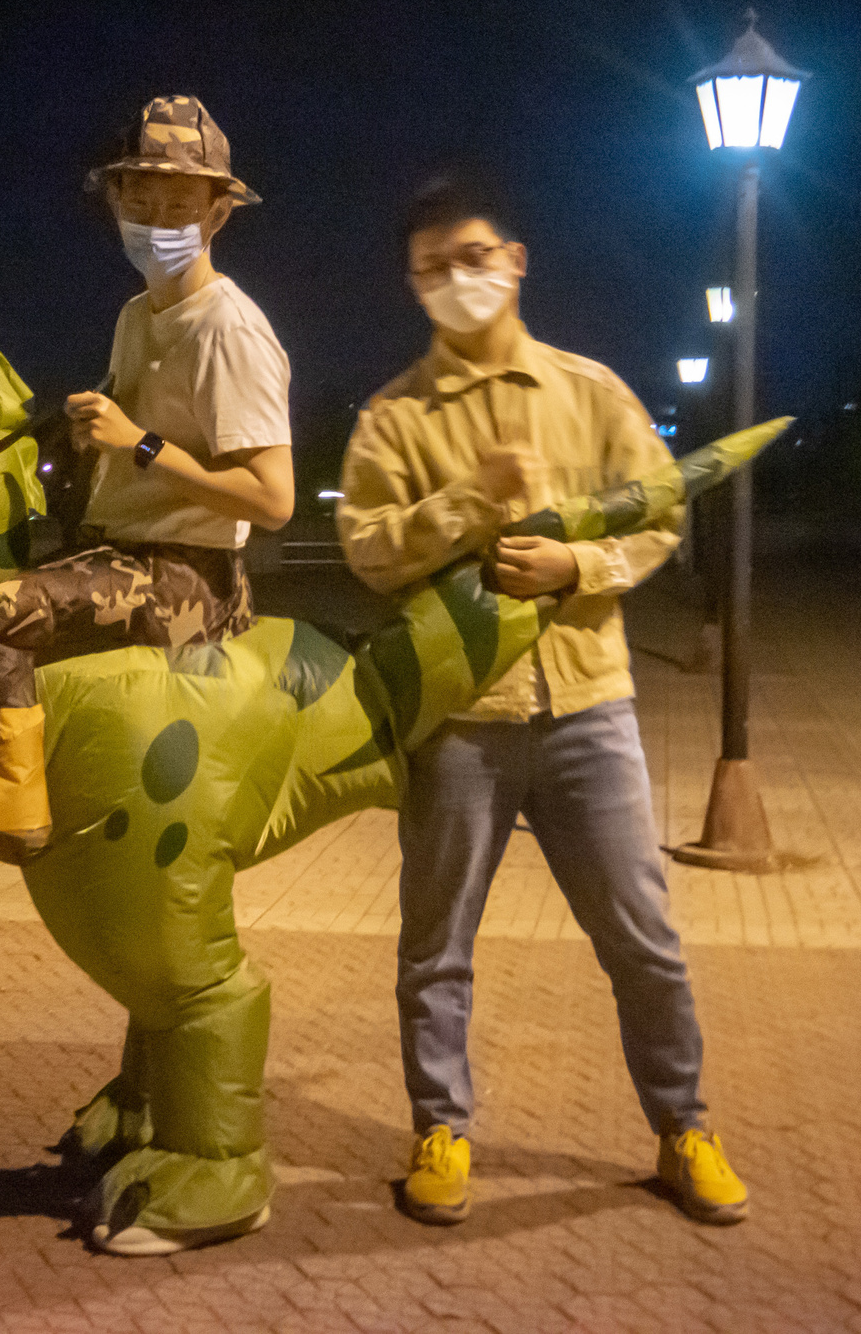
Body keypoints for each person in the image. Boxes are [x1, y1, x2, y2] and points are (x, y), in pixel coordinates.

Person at [335, 175, 750, 1227]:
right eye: (431, 268)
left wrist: (578, 570)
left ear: (515, 261)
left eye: (472, 257)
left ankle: (683, 1128)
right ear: (411, 284)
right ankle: (440, 1129)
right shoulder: (391, 418)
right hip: (460, 722)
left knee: (643, 939)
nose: (455, 282)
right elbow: (368, 552)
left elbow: (658, 516)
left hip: (587, 711)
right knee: (435, 947)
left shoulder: (590, 390)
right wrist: (468, 500)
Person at [0, 95, 294, 860]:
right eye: (140, 201)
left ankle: (9, 792)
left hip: (190, 578)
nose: (157, 219)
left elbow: (273, 499)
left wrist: (137, 444)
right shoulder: (137, 314)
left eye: (178, 203)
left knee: (9, 609)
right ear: (115, 203)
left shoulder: (229, 328)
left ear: (218, 214)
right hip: (126, 552)